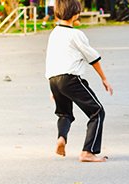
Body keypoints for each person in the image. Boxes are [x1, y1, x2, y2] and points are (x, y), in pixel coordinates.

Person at [45, 0, 113, 162]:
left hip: (54, 79)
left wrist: (52, 87)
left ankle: (61, 138)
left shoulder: (54, 33)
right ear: (75, 14)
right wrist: (104, 79)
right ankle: (87, 152)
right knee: (97, 112)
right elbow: (93, 58)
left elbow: (52, 59)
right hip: (70, 79)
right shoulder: (76, 34)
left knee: (64, 114)